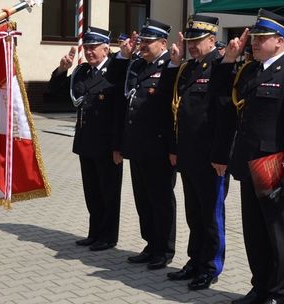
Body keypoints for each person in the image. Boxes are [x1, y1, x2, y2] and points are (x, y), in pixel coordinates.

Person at [211, 9, 284, 304]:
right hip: (248, 165)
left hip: (275, 169)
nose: (254, 43)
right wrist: (229, 59)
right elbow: (224, 102)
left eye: (261, 38)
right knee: (254, 234)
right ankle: (260, 287)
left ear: (280, 41)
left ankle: (279, 295)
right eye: (254, 38)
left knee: (279, 236)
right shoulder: (251, 71)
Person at [161, 14, 227, 290]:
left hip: (210, 158)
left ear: (212, 39)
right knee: (193, 213)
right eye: (190, 41)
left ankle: (210, 266)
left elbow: (225, 115)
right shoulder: (187, 68)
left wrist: (221, 156)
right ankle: (195, 260)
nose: (191, 45)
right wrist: (175, 149)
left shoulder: (222, 67)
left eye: (197, 41)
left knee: (211, 215)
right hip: (188, 154)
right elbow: (173, 107)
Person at [47, 27, 125, 251]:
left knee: (108, 192)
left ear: (106, 49)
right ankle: (95, 232)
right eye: (87, 48)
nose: (90, 52)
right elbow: (56, 95)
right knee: (92, 192)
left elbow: (120, 112)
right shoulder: (82, 72)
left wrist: (118, 146)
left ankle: (108, 236)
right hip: (85, 141)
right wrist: (63, 70)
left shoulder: (115, 71)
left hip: (108, 144)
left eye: (94, 48)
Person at [117, 18, 176, 270]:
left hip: (159, 148)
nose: (143, 46)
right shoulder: (138, 66)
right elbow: (118, 88)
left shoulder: (170, 66)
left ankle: (164, 249)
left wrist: (173, 148)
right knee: (143, 199)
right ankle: (150, 244)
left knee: (160, 199)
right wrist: (124, 56)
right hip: (138, 145)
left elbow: (174, 112)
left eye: (148, 42)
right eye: (142, 42)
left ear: (162, 43)